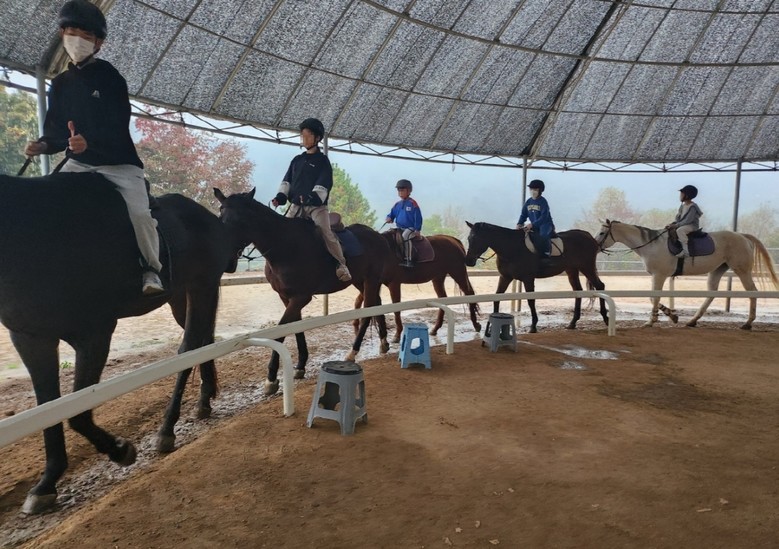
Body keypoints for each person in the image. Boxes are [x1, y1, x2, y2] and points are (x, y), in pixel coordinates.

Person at [24, 0, 164, 295]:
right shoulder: (59, 84)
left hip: (120, 164)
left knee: (139, 214)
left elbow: (118, 124)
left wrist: (89, 140)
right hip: (79, 164)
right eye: (71, 32)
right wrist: (43, 145)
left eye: (85, 35)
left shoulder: (110, 77)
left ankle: (151, 268)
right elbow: (56, 132)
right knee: (47, 201)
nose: (77, 39)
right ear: (62, 34)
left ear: (98, 42)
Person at [271, 118, 351, 282]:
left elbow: (324, 183)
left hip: (316, 207)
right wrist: (280, 197)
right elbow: (287, 181)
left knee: (326, 233)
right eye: (303, 135)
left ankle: (341, 264)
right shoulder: (297, 160)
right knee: (283, 231)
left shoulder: (323, 161)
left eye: (308, 135)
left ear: (317, 138)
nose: (304, 139)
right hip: (296, 206)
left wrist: (311, 197)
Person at [385, 179, 423, 267]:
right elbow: (391, 214)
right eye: (399, 190)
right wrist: (389, 218)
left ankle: (408, 259)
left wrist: (417, 229)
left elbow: (418, 217)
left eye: (402, 190)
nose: (400, 192)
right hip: (399, 227)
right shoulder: (397, 204)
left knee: (405, 236)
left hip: (410, 228)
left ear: (409, 191)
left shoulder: (413, 203)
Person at [516, 179, 555, 257]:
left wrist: (532, 225)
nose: (532, 191)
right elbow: (523, 215)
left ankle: (546, 253)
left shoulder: (543, 201)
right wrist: (519, 223)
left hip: (545, 225)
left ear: (540, 190)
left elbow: (544, 217)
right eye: (531, 189)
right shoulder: (528, 202)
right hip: (534, 225)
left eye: (535, 189)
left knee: (543, 235)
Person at [666, 184, 703, 258]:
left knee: (680, 230)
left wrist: (676, 225)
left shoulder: (692, 207)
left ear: (687, 195)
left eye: (682, 194)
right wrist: (672, 224)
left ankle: (686, 252)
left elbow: (688, 220)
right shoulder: (683, 206)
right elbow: (679, 218)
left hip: (691, 225)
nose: (680, 195)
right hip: (683, 224)